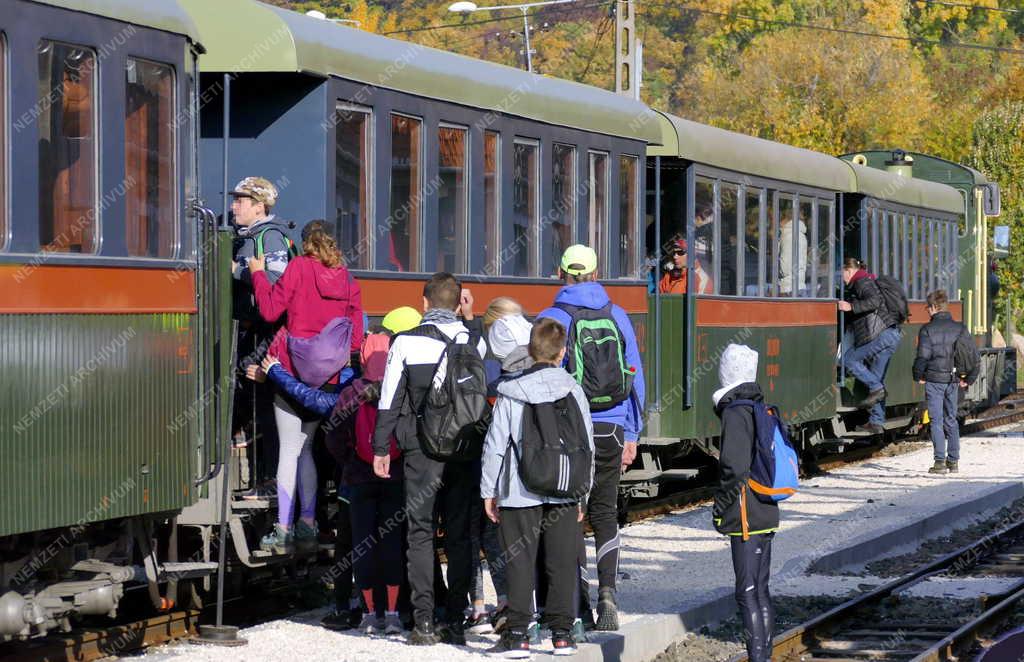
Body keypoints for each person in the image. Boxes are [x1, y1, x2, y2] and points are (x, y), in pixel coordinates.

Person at [371, 273, 487, 646]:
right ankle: (455, 620)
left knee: (419, 534)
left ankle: (422, 622)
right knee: (459, 536)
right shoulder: (473, 341)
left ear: (423, 304)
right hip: (464, 450)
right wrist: (471, 319)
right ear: (457, 304)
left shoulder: (404, 342)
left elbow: (388, 400)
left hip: (421, 450)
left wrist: (379, 447)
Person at [537, 244, 645, 632]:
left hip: (570, 429)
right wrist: (632, 431)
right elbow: (636, 375)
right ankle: (609, 596)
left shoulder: (550, 317)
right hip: (613, 428)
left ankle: (578, 603)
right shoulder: (616, 314)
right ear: (596, 273)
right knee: (604, 513)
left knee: (571, 515)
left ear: (560, 273)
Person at [482, 318, 595, 658]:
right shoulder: (575, 390)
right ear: (563, 353)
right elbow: (587, 446)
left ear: (531, 351)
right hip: (564, 489)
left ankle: (518, 635)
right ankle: (562, 634)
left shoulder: (511, 392)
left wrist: (489, 490)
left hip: (518, 491)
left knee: (518, 560)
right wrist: (583, 494)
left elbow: (495, 446)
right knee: (561, 561)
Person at [249, 221, 364, 553]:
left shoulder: (298, 267)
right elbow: (355, 338)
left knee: (288, 449)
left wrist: (257, 273)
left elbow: (270, 311)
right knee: (306, 449)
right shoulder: (347, 278)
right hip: (326, 380)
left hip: (291, 370)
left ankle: (284, 527)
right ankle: (309, 524)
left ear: (303, 244)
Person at [712, 343, 779, 662]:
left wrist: (719, 508)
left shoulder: (736, 411)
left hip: (746, 509)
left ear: (728, 373)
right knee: (760, 589)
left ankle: (758, 657)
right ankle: (762, 655)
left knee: (747, 591)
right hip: (765, 506)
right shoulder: (757, 406)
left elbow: (733, 467)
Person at [230, 176, 293, 497]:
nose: (233, 206)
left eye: (239, 201)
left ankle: (269, 478)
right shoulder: (249, 236)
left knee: (266, 405)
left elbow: (278, 283)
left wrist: (235, 271)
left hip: (265, 335)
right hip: (254, 332)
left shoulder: (269, 238)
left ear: (258, 207)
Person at [913, 290, 979, 475]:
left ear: (934, 307)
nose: (927, 311)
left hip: (934, 380)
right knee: (951, 419)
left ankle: (940, 462)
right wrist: (970, 378)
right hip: (953, 379)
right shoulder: (960, 328)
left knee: (936, 420)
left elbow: (923, 356)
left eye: (928, 308)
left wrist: (918, 374)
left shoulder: (927, 329)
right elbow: (973, 355)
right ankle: (954, 462)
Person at [838, 258, 901, 434]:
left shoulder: (861, 281)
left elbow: (874, 301)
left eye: (841, 273)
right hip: (891, 335)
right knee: (876, 378)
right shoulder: (867, 279)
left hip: (882, 335)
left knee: (849, 359)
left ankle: (876, 391)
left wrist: (850, 306)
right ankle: (876, 422)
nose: (841, 277)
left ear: (848, 271)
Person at [779, 214, 807, 296]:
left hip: (789, 286)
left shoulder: (788, 235)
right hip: (800, 283)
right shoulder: (801, 235)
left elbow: (785, 266)